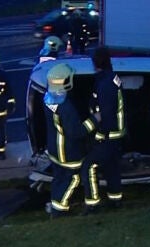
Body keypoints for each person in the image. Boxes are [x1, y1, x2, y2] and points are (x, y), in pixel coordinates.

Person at [43, 63, 100, 218]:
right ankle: (60, 210)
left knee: (59, 178)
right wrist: (94, 120)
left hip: (55, 150)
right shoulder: (66, 108)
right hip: (68, 153)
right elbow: (77, 132)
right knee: (72, 179)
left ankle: (55, 204)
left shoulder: (48, 99)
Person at [80, 46, 126, 214]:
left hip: (108, 134)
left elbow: (105, 113)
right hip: (116, 135)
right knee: (111, 167)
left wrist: (99, 135)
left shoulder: (105, 84)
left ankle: (93, 204)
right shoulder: (111, 78)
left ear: (95, 63)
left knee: (89, 166)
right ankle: (115, 200)